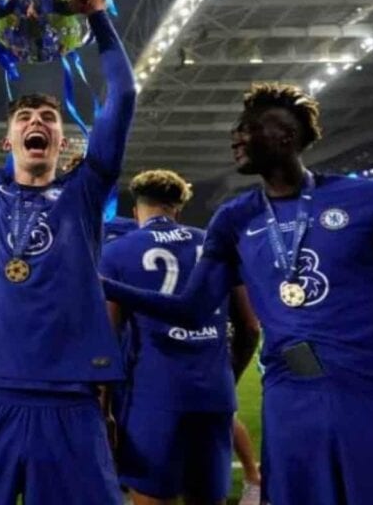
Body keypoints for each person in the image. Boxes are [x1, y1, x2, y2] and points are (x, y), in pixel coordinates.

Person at [101, 83, 373, 504]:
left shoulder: (372, 199)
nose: (236, 134)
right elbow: (193, 309)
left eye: (249, 126)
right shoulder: (234, 219)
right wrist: (99, 285)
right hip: (291, 410)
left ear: (285, 136)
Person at [0, 0, 135, 505]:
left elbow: (123, 97)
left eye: (48, 120)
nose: (36, 123)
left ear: (64, 142)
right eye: (24, 119)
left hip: (68, 400)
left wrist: (100, 20)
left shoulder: (86, 190)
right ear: (7, 141)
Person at [100, 169, 256, 505]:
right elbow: (251, 327)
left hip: (154, 395)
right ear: (178, 208)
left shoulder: (116, 252)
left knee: (151, 496)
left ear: (136, 210)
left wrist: (105, 409)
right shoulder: (217, 245)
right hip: (214, 393)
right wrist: (229, 373)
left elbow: (107, 339)